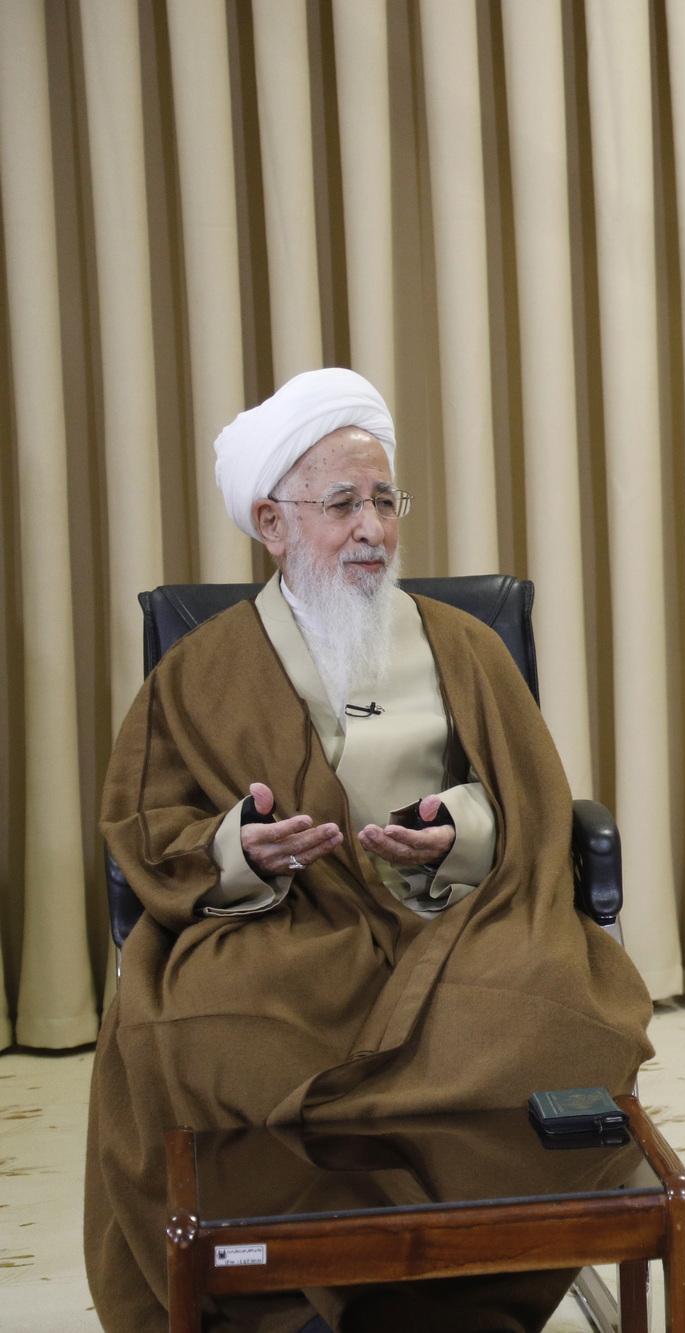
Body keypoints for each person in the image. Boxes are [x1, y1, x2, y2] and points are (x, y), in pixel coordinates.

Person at [85, 369, 655, 1333]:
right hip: (288, 927)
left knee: (558, 1016)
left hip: (457, 918)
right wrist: (243, 847)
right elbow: (149, 826)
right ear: (272, 522)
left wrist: (456, 832)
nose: (373, 529)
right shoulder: (199, 669)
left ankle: (471, 1286)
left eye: (386, 502)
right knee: (199, 1032)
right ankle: (296, 1293)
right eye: (343, 503)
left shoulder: (465, 646)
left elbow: (531, 800)